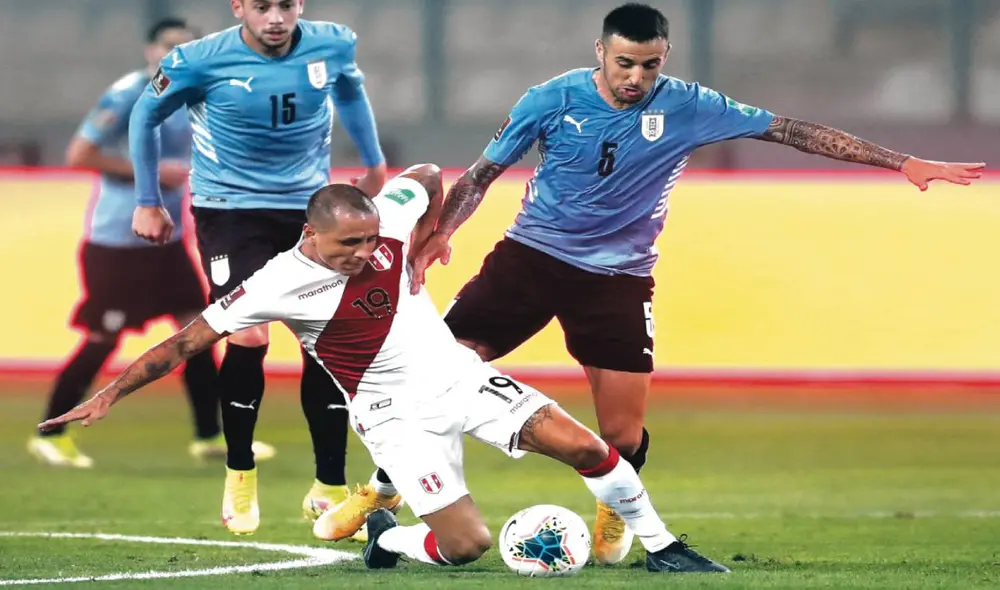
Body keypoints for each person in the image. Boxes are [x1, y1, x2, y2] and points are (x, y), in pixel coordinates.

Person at [408, 1, 986, 565]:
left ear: (665, 58)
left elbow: (791, 131)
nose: (637, 77)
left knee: (623, 433)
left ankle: (616, 509)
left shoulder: (690, 105)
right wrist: (442, 231)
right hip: (530, 259)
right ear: (601, 53)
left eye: (650, 65)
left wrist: (900, 161)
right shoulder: (551, 98)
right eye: (625, 63)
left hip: (618, 278)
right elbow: (484, 172)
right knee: (437, 371)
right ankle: (384, 492)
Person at [38, 165, 728, 574]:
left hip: (457, 376)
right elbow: (183, 344)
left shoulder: (385, 230)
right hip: (393, 416)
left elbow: (425, 175)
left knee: (586, 445)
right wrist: (108, 395)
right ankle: (389, 535)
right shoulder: (275, 282)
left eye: (372, 239)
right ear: (311, 235)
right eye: (349, 244)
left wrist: (431, 237)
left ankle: (664, 545)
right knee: (465, 546)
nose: (366, 253)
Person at [128, 0, 390, 535]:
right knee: (247, 336)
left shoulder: (334, 42)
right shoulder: (195, 60)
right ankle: (240, 472)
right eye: (263, 6)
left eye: (287, 5)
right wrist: (147, 198)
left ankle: (330, 486)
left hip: (306, 209)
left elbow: (349, 90)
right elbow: (144, 114)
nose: (276, 17)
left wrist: (373, 159)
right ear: (239, 7)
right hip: (230, 211)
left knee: (325, 336)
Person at [27, 18, 274, 469]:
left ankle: (208, 435)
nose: (177, 53)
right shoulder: (128, 93)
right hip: (118, 242)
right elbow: (80, 155)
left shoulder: (196, 91)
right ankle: (51, 432)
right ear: (150, 51)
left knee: (198, 332)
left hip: (167, 241)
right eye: (169, 46)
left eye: (186, 46)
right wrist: (152, 176)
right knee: (104, 337)